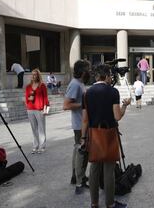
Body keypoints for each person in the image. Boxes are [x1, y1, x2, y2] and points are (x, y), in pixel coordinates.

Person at [81, 64, 131, 208]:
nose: (111, 78)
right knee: (109, 171)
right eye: (110, 75)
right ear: (107, 76)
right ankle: (110, 204)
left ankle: (94, 203)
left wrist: (83, 138)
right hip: (109, 134)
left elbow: (84, 119)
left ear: (96, 76)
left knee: (94, 170)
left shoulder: (86, 93)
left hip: (93, 135)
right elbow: (117, 116)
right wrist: (125, 105)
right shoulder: (113, 92)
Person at [63, 60, 91, 194]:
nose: (90, 72)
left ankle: (76, 177)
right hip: (80, 125)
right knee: (82, 152)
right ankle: (80, 181)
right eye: (88, 69)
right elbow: (66, 105)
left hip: (81, 124)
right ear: (82, 71)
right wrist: (85, 104)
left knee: (78, 151)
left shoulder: (80, 83)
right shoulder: (75, 84)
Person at [25, 69, 49, 154]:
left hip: (40, 109)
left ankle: (42, 146)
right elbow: (26, 98)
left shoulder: (42, 86)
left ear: (38, 76)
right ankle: (35, 145)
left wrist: (46, 109)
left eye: (35, 74)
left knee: (41, 128)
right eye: (32, 74)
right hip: (30, 109)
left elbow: (45, 98)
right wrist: (29, 100)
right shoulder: (28, 86)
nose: (33, 76)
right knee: (34, 128)